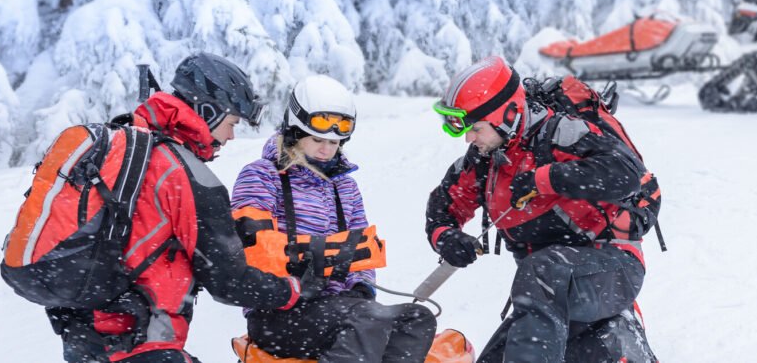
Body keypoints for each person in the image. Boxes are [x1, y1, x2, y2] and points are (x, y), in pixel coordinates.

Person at [49, 53, 308, 363]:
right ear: (208, 112)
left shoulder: (127, 147)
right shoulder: (186, 175)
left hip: (84, 340)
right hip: (139, 344)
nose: (231, 135)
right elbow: (229, 282)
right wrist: (292, 289)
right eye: (231, 122)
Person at [426, 56, 654, 362]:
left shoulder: (562, 134)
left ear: (507, 114)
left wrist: (546, 178)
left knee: (542, 270)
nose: (469, 137)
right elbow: (443, 204)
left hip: (611, 269)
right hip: (543, 291)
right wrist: (446, 237)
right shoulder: (484, 158)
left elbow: (627, 174)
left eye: (476, 128)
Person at [230, 75, 437, 362]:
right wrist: (321, 257)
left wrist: (361, 288)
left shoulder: (345, 187)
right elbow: (253, 250)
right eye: (318, 140)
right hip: (278, 312)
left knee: (416, 318)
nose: (328, 149)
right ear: (294, 133)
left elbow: (363, 249)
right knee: (367, 320)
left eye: (336, 141)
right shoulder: (261, 176)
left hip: (340, 307)